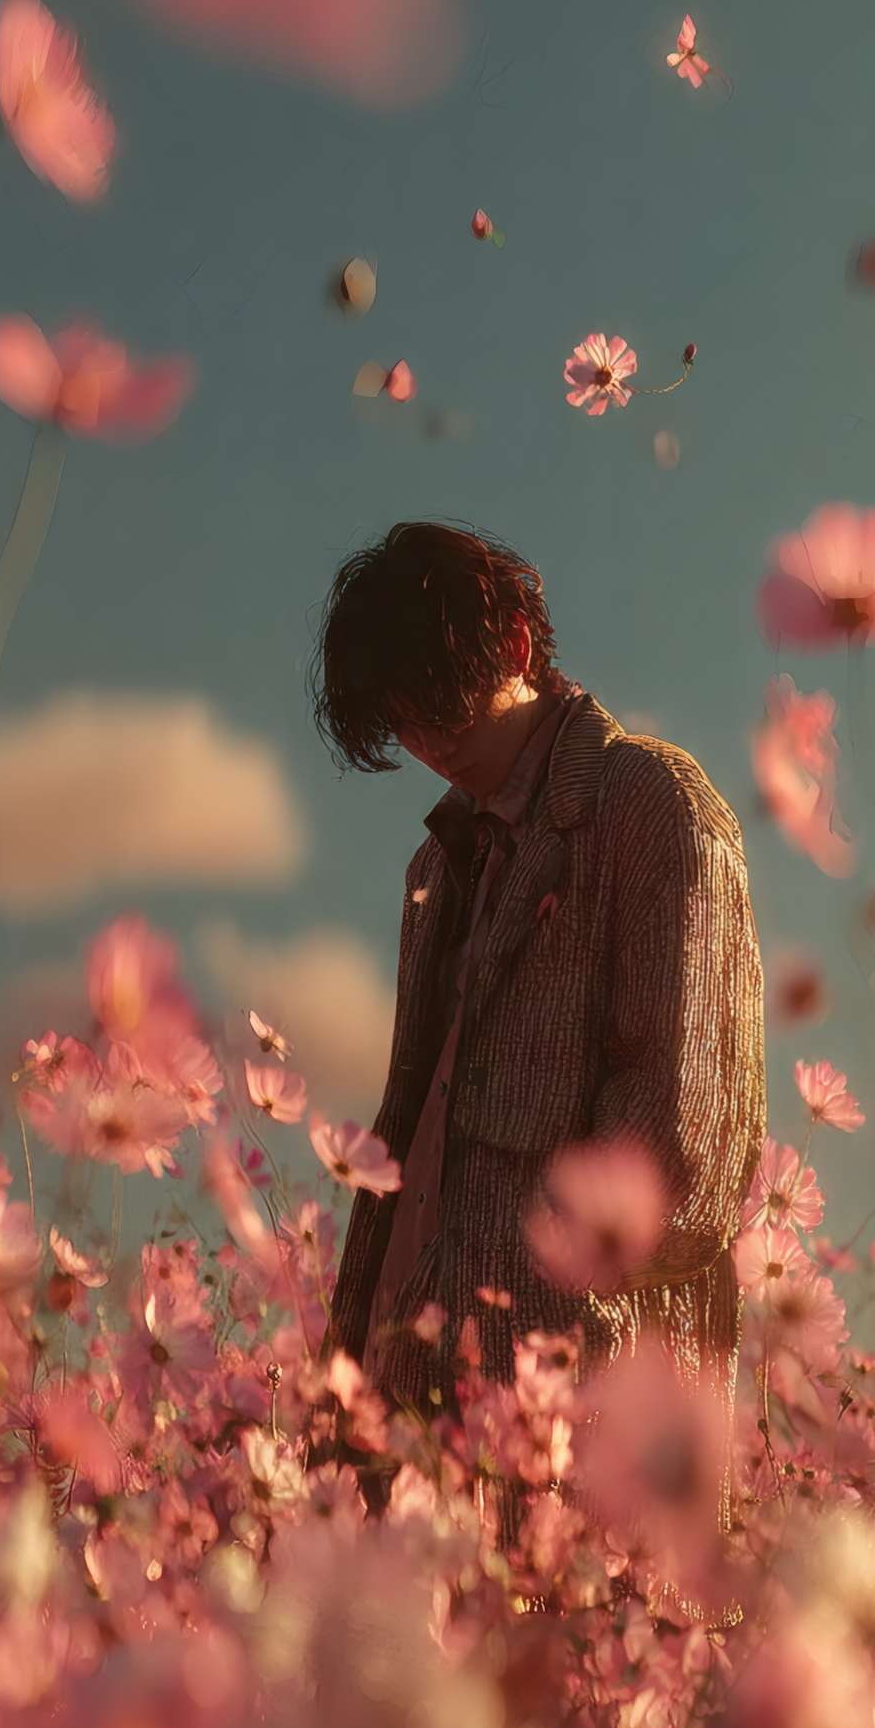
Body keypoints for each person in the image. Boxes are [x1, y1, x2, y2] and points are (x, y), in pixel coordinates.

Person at [311, 521, 766, 1427]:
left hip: (577, 1425)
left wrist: (507, 1314)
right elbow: (419, 1135)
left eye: (438, 704)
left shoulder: (653, 807)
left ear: (516, 644)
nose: (426, 741)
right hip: (406, 1413)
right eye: (400, 720)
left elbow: (685, 1151)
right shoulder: (435, 869)